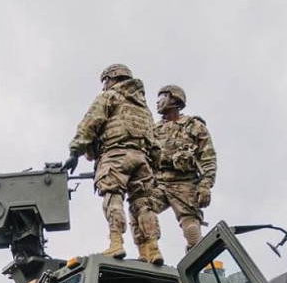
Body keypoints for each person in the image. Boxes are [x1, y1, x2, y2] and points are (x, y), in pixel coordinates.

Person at [63, 64, 164, 264]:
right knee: (144, 205)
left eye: (105, 81)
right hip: (142, 159)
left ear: (112, 78)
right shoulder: (143, 108)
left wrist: (75, 153)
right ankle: (152, 248)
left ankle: (116, 243)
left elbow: (90, 124)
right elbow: (155, 145)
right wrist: (153, 167)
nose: (104, 87)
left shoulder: (110, 97)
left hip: (115, 156)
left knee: (113, 196)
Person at [152, 85, 217, 249]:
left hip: (185, 183)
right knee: (141, 208)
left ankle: (196, 260)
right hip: (158, 183)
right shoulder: (153, 130)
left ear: (174, 99)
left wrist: (205, 186)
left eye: (162, 98)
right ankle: (149, 251)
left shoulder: (194, 126)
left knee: (190, 224)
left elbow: (208, 158)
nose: (158, 103)